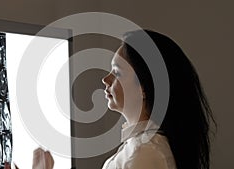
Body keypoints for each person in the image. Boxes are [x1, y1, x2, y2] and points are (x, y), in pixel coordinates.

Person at [30, 30, 216, 169]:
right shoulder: (144, 147)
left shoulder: (143, 154)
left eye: (117, 72)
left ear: (144, 86)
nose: (105, 79)